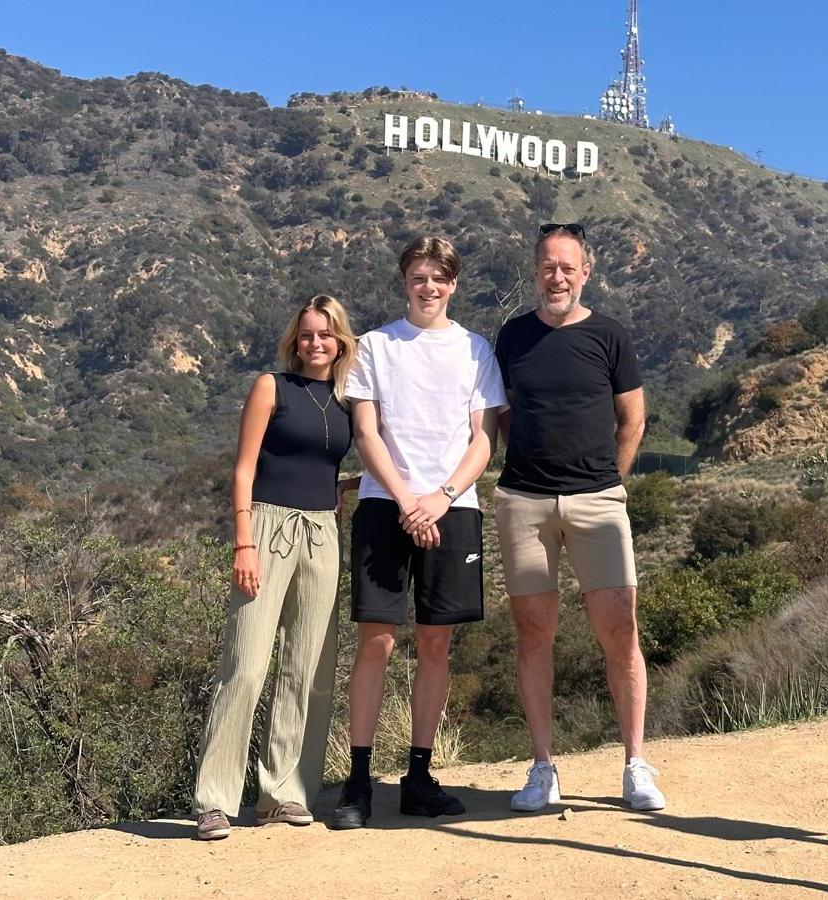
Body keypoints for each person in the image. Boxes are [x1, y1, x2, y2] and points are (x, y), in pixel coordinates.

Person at [331, 235, 505, 829]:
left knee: (436, 644)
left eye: (439, 278)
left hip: (454, 508)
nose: (428, 287)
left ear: (453, 283)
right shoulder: (375, 346)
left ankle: (419, 776)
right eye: (418, 277)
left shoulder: (475, 349)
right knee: (376, 641)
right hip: (387, 506)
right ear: (404, 281)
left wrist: (441, 498)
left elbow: (485, 439)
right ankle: (357, 782)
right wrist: (409, 500)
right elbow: (366, 432)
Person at [493, 222, 665, 813]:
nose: (557, 277)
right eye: (547, 266)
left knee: (621, 632)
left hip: (599, 502)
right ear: (534, 271)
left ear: (586, 272)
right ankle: (542, 768)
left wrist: (609, 482)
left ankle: (636, 764)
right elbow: (501, 416)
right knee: (534, 635)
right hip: (524, 502)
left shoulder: (610, 335)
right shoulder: (511, 336)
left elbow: (633, 419)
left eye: (568, 267)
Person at [192, 295, 358, 840]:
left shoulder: (345, 400)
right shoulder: (272, 387)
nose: (315, 343)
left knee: (309, 668)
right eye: (307, 334)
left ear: (340, 341)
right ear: (295, 340)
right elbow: (244, 469)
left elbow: (323, 468)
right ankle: (214, 800)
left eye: (326, 334)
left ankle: (283, 793)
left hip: (322, 532)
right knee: (246, 664)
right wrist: (244, 542)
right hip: (265, 528)